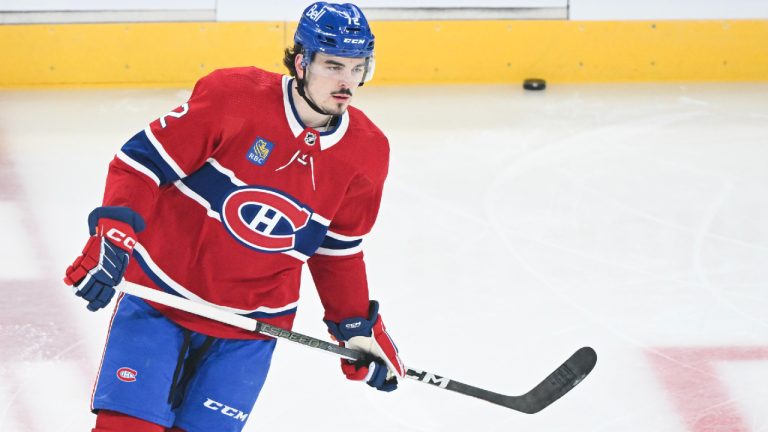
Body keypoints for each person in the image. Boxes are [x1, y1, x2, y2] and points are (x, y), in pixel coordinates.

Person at [63, 3, 404, 431]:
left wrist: (354, 325)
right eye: (333, 65)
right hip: (161, 298)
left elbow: (337, 250)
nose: (347, 82)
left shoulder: (367, 152)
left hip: (252, 327)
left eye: (358, 69)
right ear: (302, 62)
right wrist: (114, 234)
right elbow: (141, 164)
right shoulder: (234, 97)